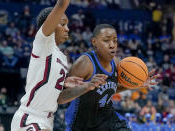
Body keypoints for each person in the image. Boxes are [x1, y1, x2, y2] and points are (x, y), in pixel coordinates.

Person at [11, 1, 107, 131]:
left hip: (47, 120)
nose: (67, 28)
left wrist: (87, 86)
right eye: (62, 24)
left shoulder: (61, 57)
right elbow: (61, 5)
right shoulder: (43, 42)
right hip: (30, 118)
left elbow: (60, 99)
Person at [65, 24, 159, 131]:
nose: (112, 45)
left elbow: (111, 89)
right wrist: (86, 87)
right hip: (82, 124)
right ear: (94, 42)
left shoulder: (117, 63)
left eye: (115, 41)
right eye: (106, 40)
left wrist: (136, 84)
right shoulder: (84, 63)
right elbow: (62, 97)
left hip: (108, 121)